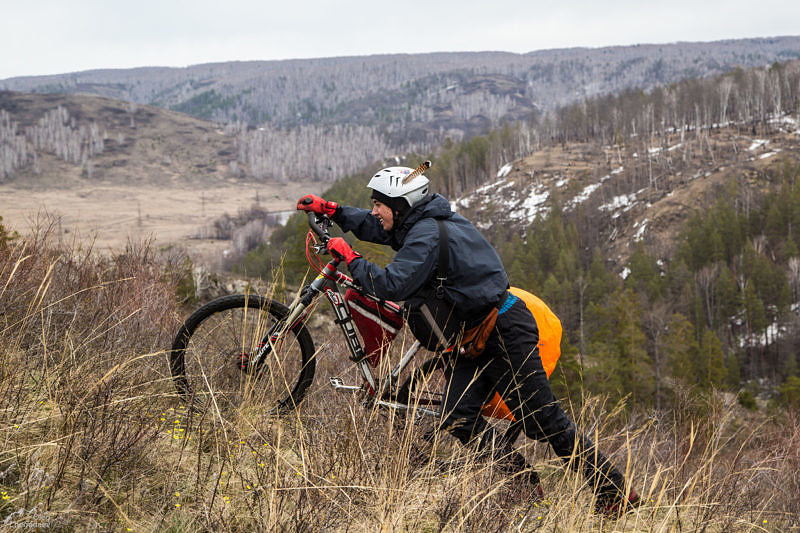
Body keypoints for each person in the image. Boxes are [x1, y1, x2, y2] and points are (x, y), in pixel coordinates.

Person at [296, 164, 639, 516]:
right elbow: (377, 228)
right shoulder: (417, 224)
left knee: (544, 420)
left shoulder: (427, 234)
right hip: (472, 338)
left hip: (504, 331)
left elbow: (391, 285)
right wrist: (335, 211)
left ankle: (615, 493)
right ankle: (522, 482)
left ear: (400, 206)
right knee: (459, 417)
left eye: (380, 204)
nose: (374, 210)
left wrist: (351, 257)